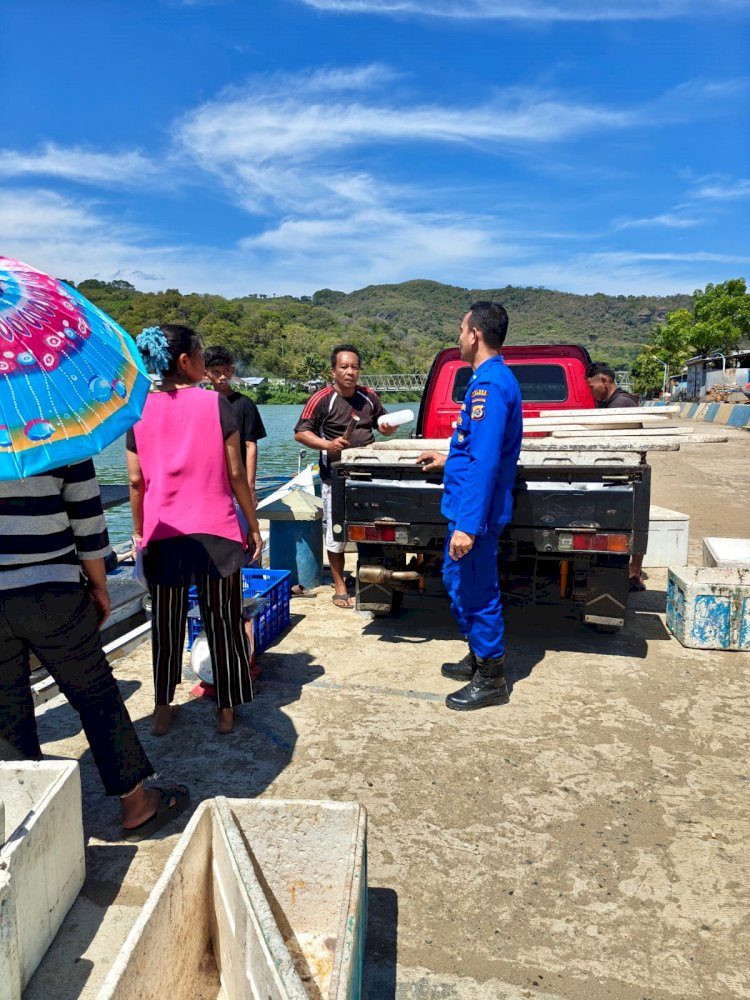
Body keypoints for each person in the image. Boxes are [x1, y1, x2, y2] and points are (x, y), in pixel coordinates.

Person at [0, 460, 189, 840]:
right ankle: (136, 804)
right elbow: (87, 517)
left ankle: (27, 818)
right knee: (96, 696)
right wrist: (100, 585)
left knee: (5, 707)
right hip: (51, 588)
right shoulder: (57, 414)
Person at [128, 325, 262, 736]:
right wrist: (253, 525)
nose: (207, 364)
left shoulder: (138, 413)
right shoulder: (216, 406)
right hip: (215, 531)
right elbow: (236, 472)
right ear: (185, 362)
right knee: (222, 621)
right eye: (202, 356)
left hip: (163, 531)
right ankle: (225, 708)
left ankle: (163, 706)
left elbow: (136, 482)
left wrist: (139, 532)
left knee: (166, 625)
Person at [417, 302, 523, 712]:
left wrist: (467, 525)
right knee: (458, 580)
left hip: (473, 514)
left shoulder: (490, 386)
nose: (458, 338)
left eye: (461, 330)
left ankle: (492, 679)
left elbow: (485, 460)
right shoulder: (487, 380)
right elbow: (475, 447)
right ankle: (479, 656)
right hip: (466, 507)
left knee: (477, 589)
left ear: (475, 334)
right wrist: (449, 458)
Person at [294, 345, 397, 608]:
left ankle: (371, 581)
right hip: (335, 478)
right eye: (344, 367)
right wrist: (327, 445)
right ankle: (340, 585)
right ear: (333, 371)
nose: (350, 372)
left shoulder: (369, 397)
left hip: (369, 476)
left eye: (354, 367)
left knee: (372, 529)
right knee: (336, 532)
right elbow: (301, 433)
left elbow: (382, 427)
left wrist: (388, 426)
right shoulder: (322, 399)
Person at [585, 361, 647, 590]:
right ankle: (634, 571)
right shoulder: (614, 403)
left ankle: (633, 573)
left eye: (592, 386)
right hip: (624, 472)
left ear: (604, 381)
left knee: (633, 522)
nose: (591, 391)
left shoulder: (621, 405)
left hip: (628, 473)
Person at [203, 345, 267, 519]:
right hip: (209, 483)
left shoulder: (244, 404)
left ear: (232, 371)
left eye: (226, 371)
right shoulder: (203, 404)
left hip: (237, 483)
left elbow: (250, 446)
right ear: (205, 374)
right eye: (216, 372)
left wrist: (250, 487)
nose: (222, 377)